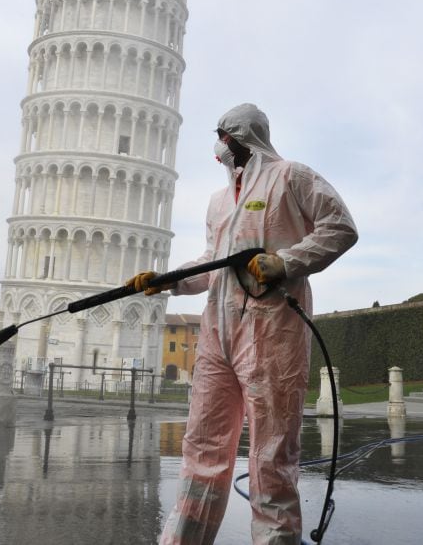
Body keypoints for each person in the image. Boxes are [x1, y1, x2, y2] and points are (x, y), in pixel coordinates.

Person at [127, 103, 358, 545]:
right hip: (218, 334)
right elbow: (213, 265)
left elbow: (341, 227)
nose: (219, 148)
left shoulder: (292, 177)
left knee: (271, 455)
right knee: (202, 447)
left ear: (239, 137)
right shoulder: (218, 203)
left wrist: (286, 262)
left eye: (222, 137)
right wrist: (167, 280)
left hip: (273, 330)